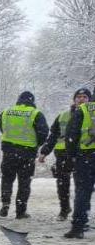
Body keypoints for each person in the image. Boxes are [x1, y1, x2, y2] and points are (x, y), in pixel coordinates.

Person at [38, 88, 91, 220]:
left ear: (89, 99)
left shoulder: (92, 114)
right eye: (78, 97)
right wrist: (44, 152)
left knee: (83, 186)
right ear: (74, 99)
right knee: (62, 183)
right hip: (63, 154)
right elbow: (54, 135)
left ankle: (80, 212)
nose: (81, 99)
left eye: (85, 97)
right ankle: (64, 209)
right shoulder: (63, 115)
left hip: (85, 154)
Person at [0, 91, 48, 219]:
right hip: (27, 153)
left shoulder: (7, 111)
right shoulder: (35, 114)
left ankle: (5, 204)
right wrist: (37, 144)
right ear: (32, 101)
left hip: (8, 152)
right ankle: (20, 211)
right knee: (24, 183)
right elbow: (43, 132)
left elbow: (1, 125)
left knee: (7, 179)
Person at [64, 87, 95, 239]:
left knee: (83, 191)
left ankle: (78, 227)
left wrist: (70, 157)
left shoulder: (84, 109)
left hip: (86, 156)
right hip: (87, 156)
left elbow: (71, 134)